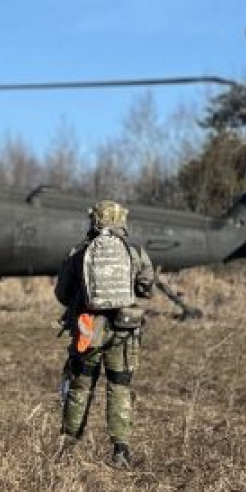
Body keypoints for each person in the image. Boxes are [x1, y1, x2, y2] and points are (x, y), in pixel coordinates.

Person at [55, 200, 155, 467]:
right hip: (125, 332)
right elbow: (147, 287)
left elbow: (62, 294)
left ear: (95, 221)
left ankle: (67, 449)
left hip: (89, 331)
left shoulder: (80, 251)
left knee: (80, 386)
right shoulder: (135, 251)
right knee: (119, 386)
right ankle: (121, 450)